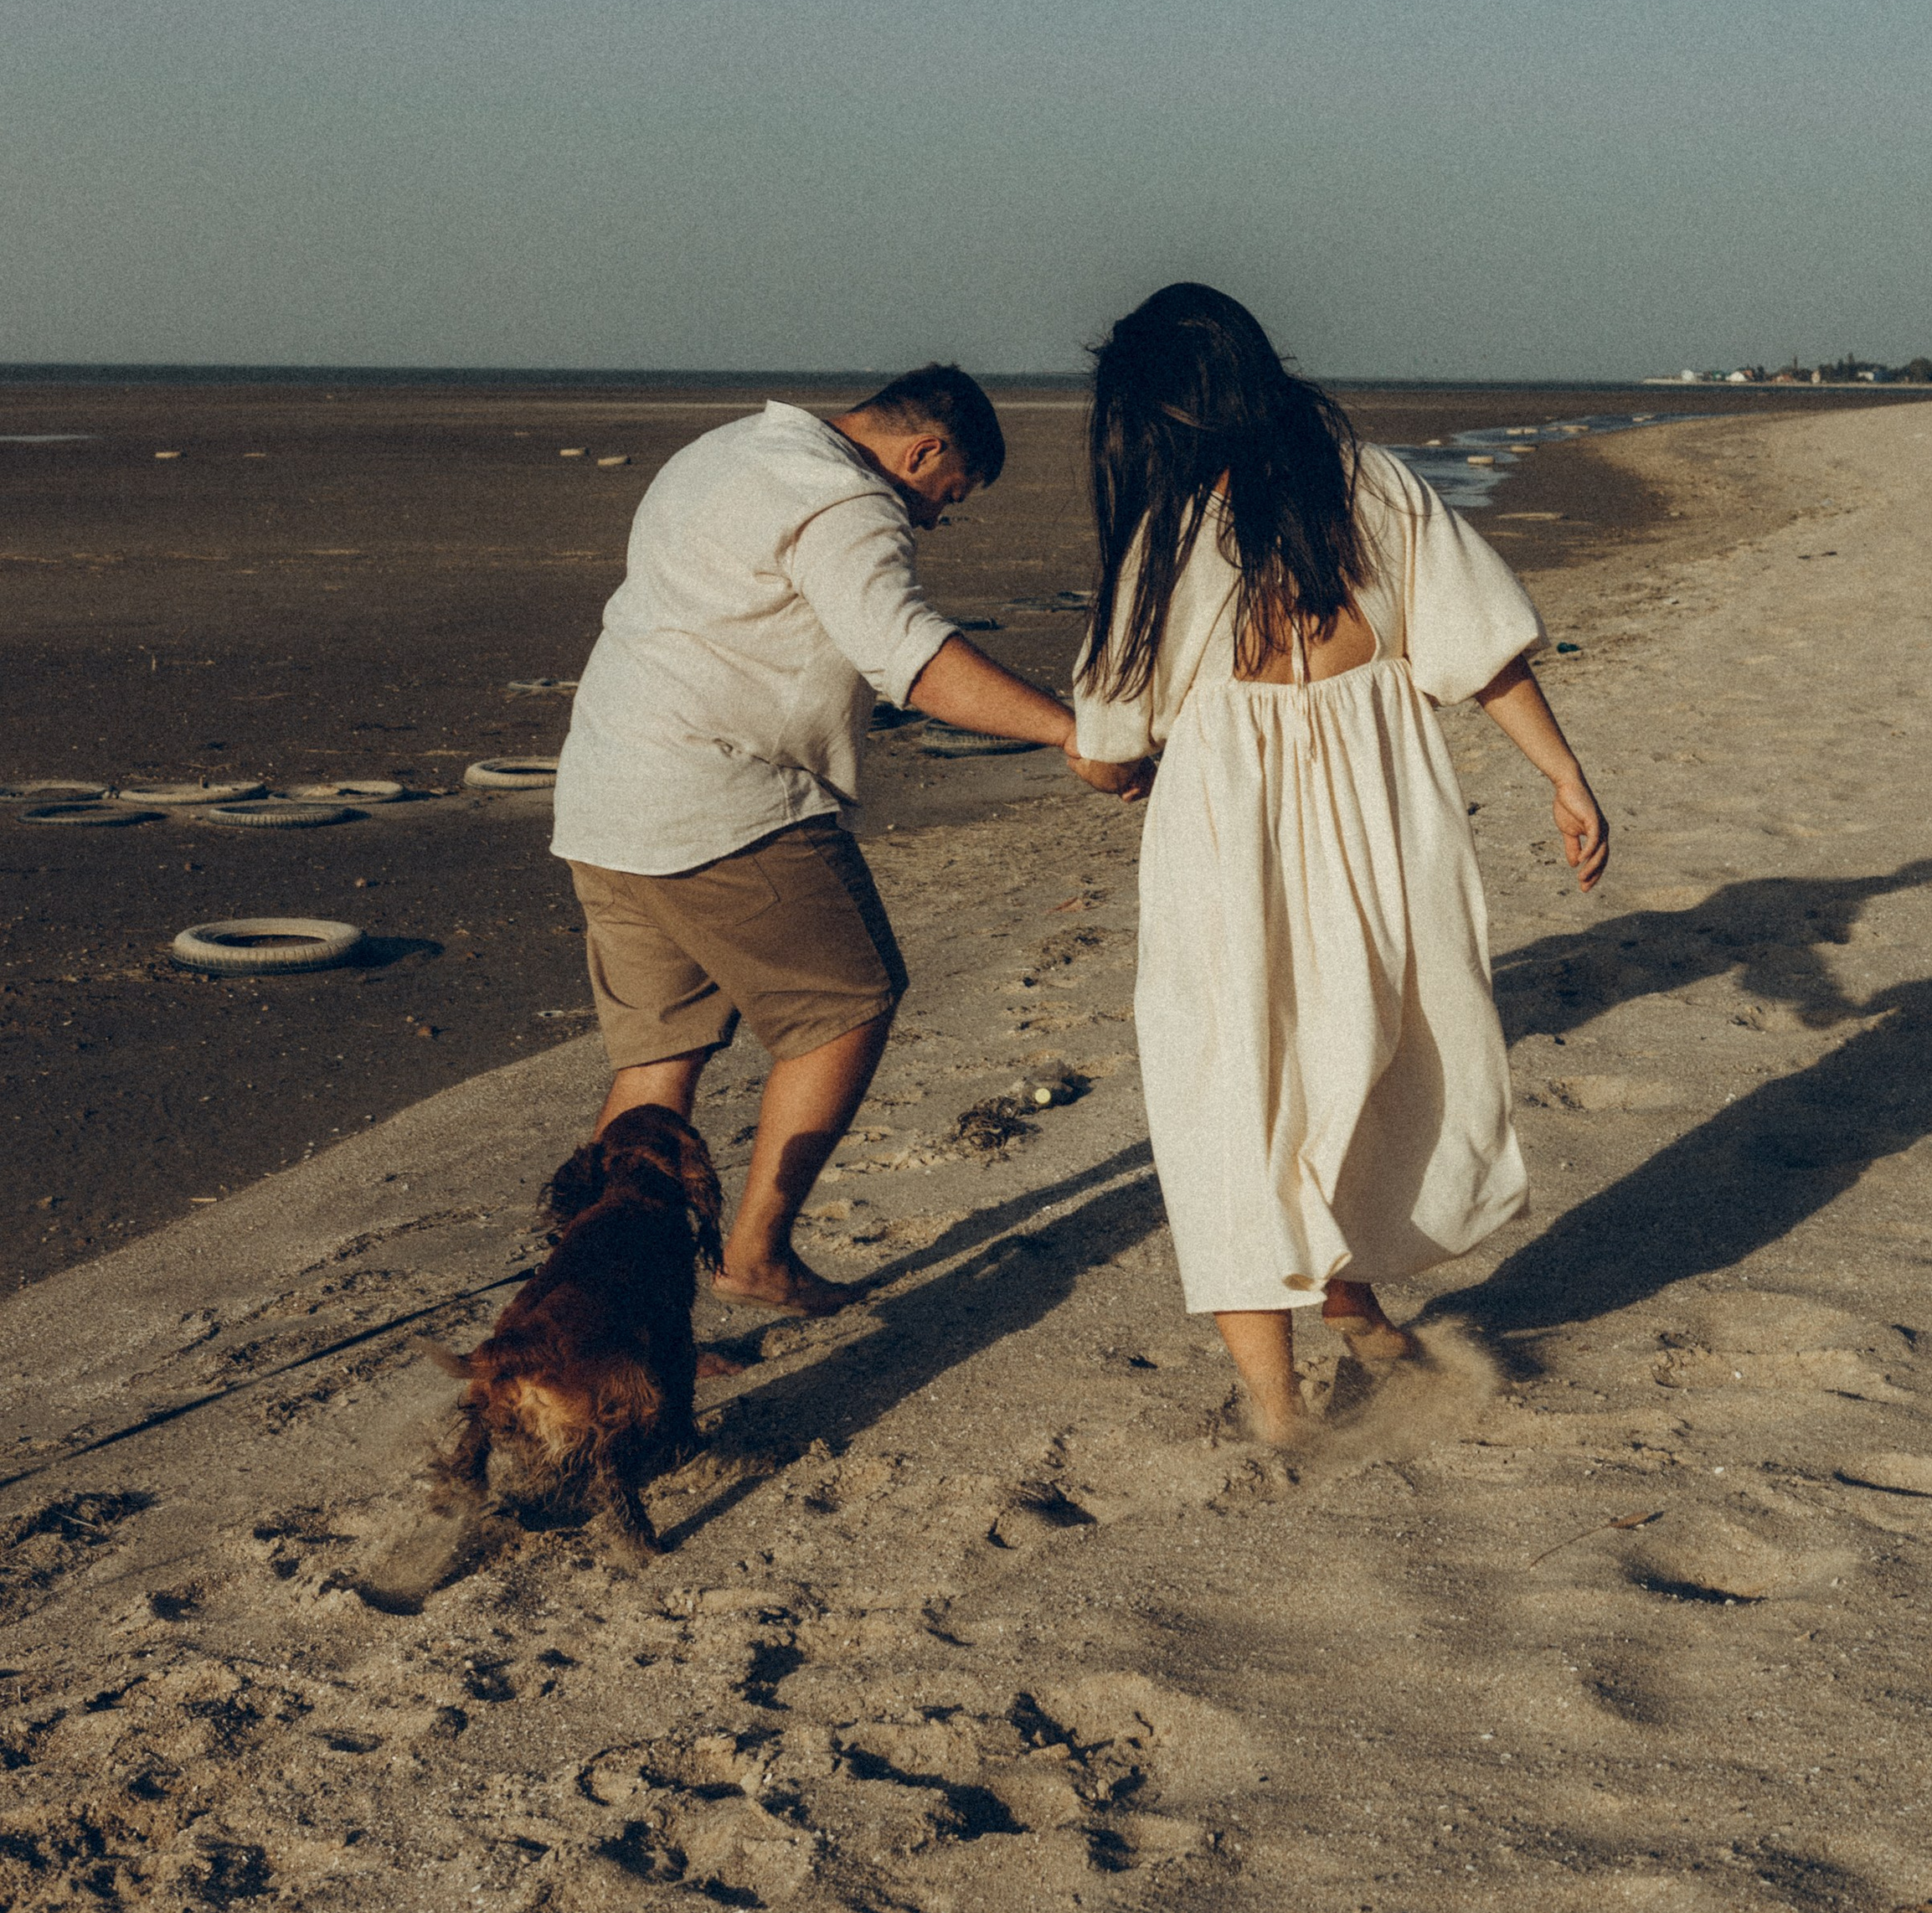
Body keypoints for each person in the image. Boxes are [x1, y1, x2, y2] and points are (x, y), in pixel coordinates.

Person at [1061, 285, 1608, 1442]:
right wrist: (1563, 775)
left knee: (1228, 1082)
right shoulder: (1375, 487)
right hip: (1382, 812)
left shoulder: (1166, 536)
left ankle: (1277, 1404)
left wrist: (1117, 768)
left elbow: (1108, 739)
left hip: (1229, 835)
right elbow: (1480, 649)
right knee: (1364, 1054)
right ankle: (1356, 1312)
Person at [552, 367, 1115, 1317]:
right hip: (723, 801)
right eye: (946, 498)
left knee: (657, 1059)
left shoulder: (723, 449)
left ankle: (601, 1308)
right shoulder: (844, 497)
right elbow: (910, 656)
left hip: (604, 794)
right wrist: (1071, 732)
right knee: (849, 1007)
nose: (933, 520)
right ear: (923, 452)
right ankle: (755, 1257)